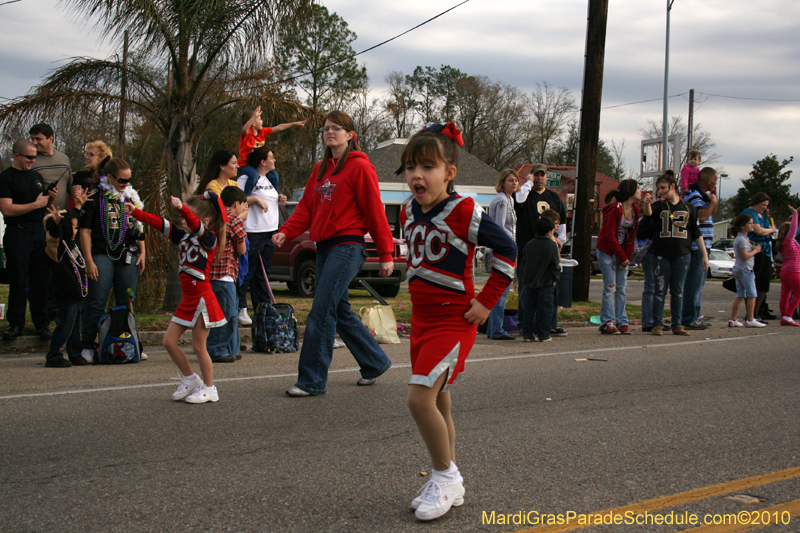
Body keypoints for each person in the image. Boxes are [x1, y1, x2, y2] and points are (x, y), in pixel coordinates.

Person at [399, 123, 516, 521]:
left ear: (449, 172)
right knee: (440, 401)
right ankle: (451, 478)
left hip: (454, 321)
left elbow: (508, 252)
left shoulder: (465, 210)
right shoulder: (408, 210)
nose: (417, 175)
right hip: (421, 322)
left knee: (419, 399)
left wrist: (486, 302)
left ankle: (444, 475)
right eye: (411, 166)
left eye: (428, 166)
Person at [273, 110, 394, 397]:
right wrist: (286, 231)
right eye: (326, 128)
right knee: (338, 310)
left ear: (350, 135)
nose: (330, 132)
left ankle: (311, 380)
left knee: (321, 310)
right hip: (324, 248)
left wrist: (386, 253)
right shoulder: (319, 169)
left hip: (348, 245)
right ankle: (374, 361)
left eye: (337, 128)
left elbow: (374, 211)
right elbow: (305, 209)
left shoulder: (361, 167)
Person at [124, 192, 227, 403]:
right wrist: (137, 213)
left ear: (205, 221)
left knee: (199, 346)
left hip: (201, 299)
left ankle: (210, 388)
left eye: (187, 216)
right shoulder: (183, 237)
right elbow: (160, 223)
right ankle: (191, 379)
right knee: (168, 342)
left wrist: (182, 208)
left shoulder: (210, 239)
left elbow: (195, 224)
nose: (183, 220)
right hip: (188, 299)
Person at [79, 158, 146, 363]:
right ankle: (88, 346)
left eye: (128, 180)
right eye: (121, 180)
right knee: (97, 301)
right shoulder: (95, 197)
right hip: (101, 254)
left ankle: (130, 342)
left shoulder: (130, 196)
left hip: (128, 254)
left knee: (127, 302)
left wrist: (142, 252)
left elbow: (139, 227)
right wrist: (89, 260)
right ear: (109, 177)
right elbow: (85, 231)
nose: (125, 183)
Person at [0, 140, 56, 341]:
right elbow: (7, 208)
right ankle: (15, 324)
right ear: (17, 155)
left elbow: (41, 206)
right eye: (29, 157)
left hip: (37, 232)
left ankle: (42, 324)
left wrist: (49, 200)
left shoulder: (36, 177)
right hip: (18, 233)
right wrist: (34, 205)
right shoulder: (6, 178)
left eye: (35, 157)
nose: (33, 160)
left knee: (40, 281)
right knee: (18, 280)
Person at [641, 173, 708, 336]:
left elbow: (696, 233)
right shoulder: (659, 206)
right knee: (660, 290)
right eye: (659, 189)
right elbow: (649, 214)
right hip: (661, 254)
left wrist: (704, 255)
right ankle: (657, 323)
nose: (661, 191)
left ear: (672, 187)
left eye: (663, 188)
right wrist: (647, 204)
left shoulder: (688, 208)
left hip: (682, 254)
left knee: (678, 290)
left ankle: (677, 324)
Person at [514, 163, 567, 338]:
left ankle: (549, 325)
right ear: (531, 176)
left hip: (548, 250)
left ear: (546, 177)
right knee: (526, 290)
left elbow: (563, 220)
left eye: (542, 175)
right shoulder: (525, 195)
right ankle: (525, 325)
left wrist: (561, 239)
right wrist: (526, 185)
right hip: (528, 249)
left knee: (550, 289)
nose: (539, 178)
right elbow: (518, 201)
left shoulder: (553, 197)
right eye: (536, 175)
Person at [236, 145, 286, 326]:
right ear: (263, 161)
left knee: (263, 275)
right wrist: (256, 199)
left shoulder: (269, 179)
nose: (274, 160)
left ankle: (263, 313)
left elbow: (269, 199)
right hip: (252, 231)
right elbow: (237, 198)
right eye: (271, 157)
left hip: (269, 231)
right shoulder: (247, 177)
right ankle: (241, 307)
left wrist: (278, 199)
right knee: (247, 272)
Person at [207, 186, 249, 362]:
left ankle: (231, 348)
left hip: (211, 273)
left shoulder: (213, 215)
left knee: (220, 313)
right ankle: (218, 349)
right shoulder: (233, 219)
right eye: (243, 204)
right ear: (236, 203)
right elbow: (241, 248)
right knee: (228, 313)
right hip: (226, 273)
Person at [596, 179, 643, 335]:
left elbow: (632, 236)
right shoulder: (615, 210)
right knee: (610, 287)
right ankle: (607, 322)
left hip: (621, 253)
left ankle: (622, 320)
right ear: (630, 191)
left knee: (621, 288)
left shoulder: (635, 210)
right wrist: (621, 255)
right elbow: (609, 236)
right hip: (607, 251)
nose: (640, 191)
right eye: (638, 188)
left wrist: (626, 257)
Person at [42, 205, 88, 367]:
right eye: (73, 227)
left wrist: (78, 206)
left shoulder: (72, 243)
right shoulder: (56, 247)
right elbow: (53, 237)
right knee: (65, 325)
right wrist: (55, 225)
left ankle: (75, 353)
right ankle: (53, 355)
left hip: (77, 293)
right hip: (66, 293)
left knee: (75, 326)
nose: (75, 230)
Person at [680, 167, 719, 330]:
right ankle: (688, 318)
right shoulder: (694, 196)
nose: (716, 183)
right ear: (709, 180)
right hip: (696, 248)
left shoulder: (703, 196)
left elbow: (711, 212)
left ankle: (695, 315)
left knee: (699, 286)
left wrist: (712, 201)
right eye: (715, 180)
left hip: (705, 247)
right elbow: (701, 217)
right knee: (693, 285)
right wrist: (713, 202)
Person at [236, 105, 304, 190]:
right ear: (253, 123)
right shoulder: (247, 134)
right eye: (259, 119)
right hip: (245, 165)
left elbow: (279, 127)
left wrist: (294, 124)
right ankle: (246, 197)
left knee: (274, 175)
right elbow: (244, 129)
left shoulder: (262, 132)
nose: (262, 121)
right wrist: (254, 117)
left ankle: (273, 194)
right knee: (254, 175)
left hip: (257, 165)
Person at [485, 169, 519, 340]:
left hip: (509, 247)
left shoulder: (509, 199)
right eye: (510, 180)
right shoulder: (501, 201)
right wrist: (505, 248)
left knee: (503, 289)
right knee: (501, 289)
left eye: (516, 180)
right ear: (503, 182)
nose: (514, 183)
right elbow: (498, 228)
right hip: (502, 249)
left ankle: (494, 328)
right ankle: (496, 328)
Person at [520, 217, 560, 342]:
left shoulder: (529, 244)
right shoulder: (551, 246)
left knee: (529, 309)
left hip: (530, 281)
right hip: (546, 282)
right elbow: (555, 264)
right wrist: (555, 277)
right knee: (545, 309)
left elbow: (524, 261)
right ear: (549, 232)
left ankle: (528, 334)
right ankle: (544, 334)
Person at [741, 192, 779, 322]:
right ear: (756, 202)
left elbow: (765, 229)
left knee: (764, 282)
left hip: (766, 250)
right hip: (755, 249)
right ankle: (750, 314)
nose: (764, 207)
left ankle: (757, 312)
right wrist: (771, 230)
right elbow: (758, 230)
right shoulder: (749, 212)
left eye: (766, 205)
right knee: (753, 281)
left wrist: (768, 230)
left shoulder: (763, 216)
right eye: (763, 205)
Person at [729, 214, 765, 328]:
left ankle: (733, 319)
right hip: (745, 269)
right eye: (750, 223)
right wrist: (756, 251)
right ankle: (750, 319)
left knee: (740, 294)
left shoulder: (741, 238)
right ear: (743, 226)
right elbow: (745, 256)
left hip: (738, 268)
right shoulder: (742, 240)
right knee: (752, 294)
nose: (752, 225)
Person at [30, 123, 72, 210]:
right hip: (41, 218)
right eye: (32, 139)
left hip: (62, 216)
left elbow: (70, 186)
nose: (34, 143)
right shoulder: (30, 161)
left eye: (38, 139)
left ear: (50, 138)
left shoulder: (64, 159)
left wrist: (77, 190)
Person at [774, 206, 800, 326]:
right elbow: (794, 229)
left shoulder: (783, 242)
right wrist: (795, 214)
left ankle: (784, 316)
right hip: (793, 270)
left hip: (785, 271)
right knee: (798, 294)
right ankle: (788, 316)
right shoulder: (789, 241)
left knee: (785, 295)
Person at [70, 141, 112, 209]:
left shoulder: (109, 177)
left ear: (101, 158)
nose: (87, 157)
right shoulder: (81, 176)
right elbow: (76, 200)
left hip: (105, 216)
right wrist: (76, 193)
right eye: (87, 154)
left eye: (91, 155)